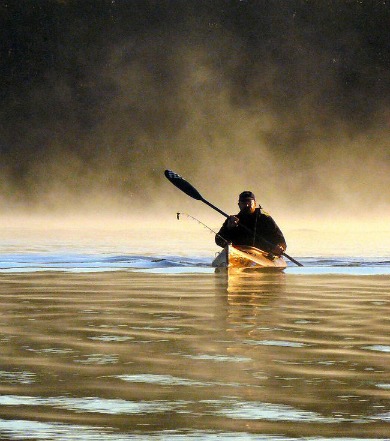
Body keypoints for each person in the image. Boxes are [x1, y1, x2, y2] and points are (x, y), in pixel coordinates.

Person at [215, 191, 287, 256]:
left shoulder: (265, 218)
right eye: (243, 203)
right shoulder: (232, 220)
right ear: (239, 205)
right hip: (238, 255)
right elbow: (218, 240)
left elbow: (281, 241)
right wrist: (228, 228)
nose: (246, 205)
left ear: (255, 204)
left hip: (263, 256)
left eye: (249, 202)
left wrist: (279, 247)